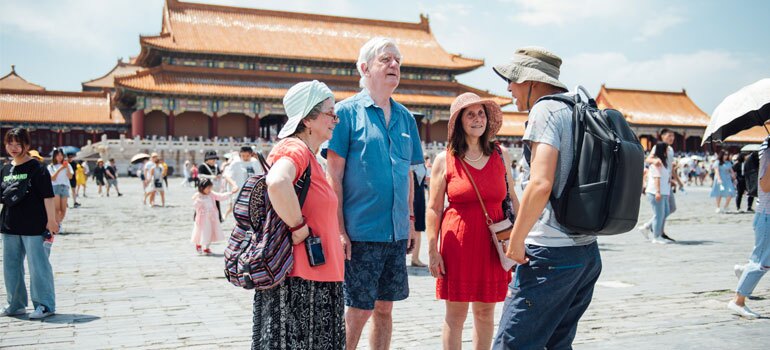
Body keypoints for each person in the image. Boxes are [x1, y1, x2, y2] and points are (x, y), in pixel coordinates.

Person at [491, 47, 602, 349]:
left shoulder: (545, 110)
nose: (509, 88)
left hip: (550, 253)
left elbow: (540, 183)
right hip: (586, 252)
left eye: (512, 79)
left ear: (532, 82)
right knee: (557, 343)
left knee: (512, 344)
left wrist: (516, 238)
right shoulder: (579, 108)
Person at [326, 37, 424, 350]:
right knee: (359, 308)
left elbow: (408, 174)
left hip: (395, 231)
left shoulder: (406, 118)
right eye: (386, 60)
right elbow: (334, 176)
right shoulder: (345, 114)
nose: (394, 65)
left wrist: (409, 219)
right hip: (360, 233)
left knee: (385, 307)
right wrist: (339, 230)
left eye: (397, 60)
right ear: (365, 68)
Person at [253, 80, 345, 349]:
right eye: (330, 113)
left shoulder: (312, 155)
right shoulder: (295, 149)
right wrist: (298, 228)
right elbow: (277, 181)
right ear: (307, 119)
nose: (335, 120)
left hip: (318, 275)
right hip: (301, 279)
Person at [426, 93, 518, 349]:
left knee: (485, 313)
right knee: (455, 316)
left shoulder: (502, 155)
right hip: (458, 246)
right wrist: (432, 250)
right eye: (470, 114)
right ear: (459, 121)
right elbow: (433, 208)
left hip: (493, 245)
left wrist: (521, 238)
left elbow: (512, 199)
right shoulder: (444, 159)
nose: (477, 119)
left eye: (481, 114)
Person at [0, 128, 59, 319]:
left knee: (38, 266)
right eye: (10, 143)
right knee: (11, 266)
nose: (14, 148)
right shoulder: (6, 168)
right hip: (9, 225)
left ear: (27, 145)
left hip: (34, 225)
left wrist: (51, 221)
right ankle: (15, 304)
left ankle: (45, 304)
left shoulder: (36, 168)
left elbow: (48, 196)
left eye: (19, 144)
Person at [728, 137, 770, 318]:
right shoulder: (768, 150)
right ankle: (738, 300)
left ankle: (743, 271)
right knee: (762, 262)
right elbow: (765, 185)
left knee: (761, 259)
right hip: (768, 214)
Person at [638, 129, 681, 242]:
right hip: (660, 185)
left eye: (673, 136)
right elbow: (648, 159)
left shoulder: (670, 149)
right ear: (662, 136)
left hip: (666, 183)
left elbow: (669, 169)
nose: (671, 138)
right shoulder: (659, 147)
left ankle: (650, 227)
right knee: (663, 210)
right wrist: (655, 161)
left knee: (669, 209)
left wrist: (677, 181)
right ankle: (658, 232)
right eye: (669, 136)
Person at [191, 179, 236, 255]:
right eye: (208, 188)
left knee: (209, 232)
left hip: (211, 217)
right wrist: (198, 200)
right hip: (202, 218)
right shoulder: (198, 196)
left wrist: (230, 193)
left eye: (210, 188)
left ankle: (206, 247)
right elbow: (195, 205)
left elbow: (220, 196)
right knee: (201, 232)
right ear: (202, 188)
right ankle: (198, 244)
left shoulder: (211, 194)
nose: (209, 190)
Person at [643, 142, 672, 244]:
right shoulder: (657, 162)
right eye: (667, 149)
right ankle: (656, 236)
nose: (668, 151)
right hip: (655, 191)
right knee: (659, 215)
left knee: (666, 212)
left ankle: (647, 226)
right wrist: (658, 192)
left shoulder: (664, 161)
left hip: (664, 191)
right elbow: (657, 178)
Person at [47, 149, 73, 232]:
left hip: (65, 187)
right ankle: (58, 225)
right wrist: (60, 169)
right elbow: (52, 178)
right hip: (55, 187)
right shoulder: (51, 166)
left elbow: (70, 177)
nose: (60, 157)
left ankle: (59, 222)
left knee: (63, 209)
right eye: (58, 155)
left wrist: (67, 167)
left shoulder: (67, 165)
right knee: (57, 208)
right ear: (54, 156)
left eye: (61, 155)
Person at [410, 162, 428, 267]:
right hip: (414, 195)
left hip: (418, 194)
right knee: (416, 227)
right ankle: (415, 258)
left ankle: (415, 258)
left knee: (418, 227)